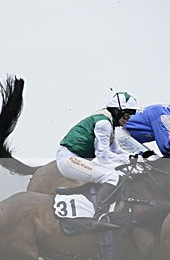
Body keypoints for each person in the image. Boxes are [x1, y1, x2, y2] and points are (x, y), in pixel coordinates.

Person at [56, 92, 140, 224]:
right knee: (111, 176)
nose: (128, 120)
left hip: (76, 158)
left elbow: (116, 151)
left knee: (117, 173)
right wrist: (127, 160)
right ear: (117, 111)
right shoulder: (103, 123)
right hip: (69, 160)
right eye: (127, 115)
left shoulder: (109, 122)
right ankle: (99, 216)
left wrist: (137, 158)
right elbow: (103, 156)